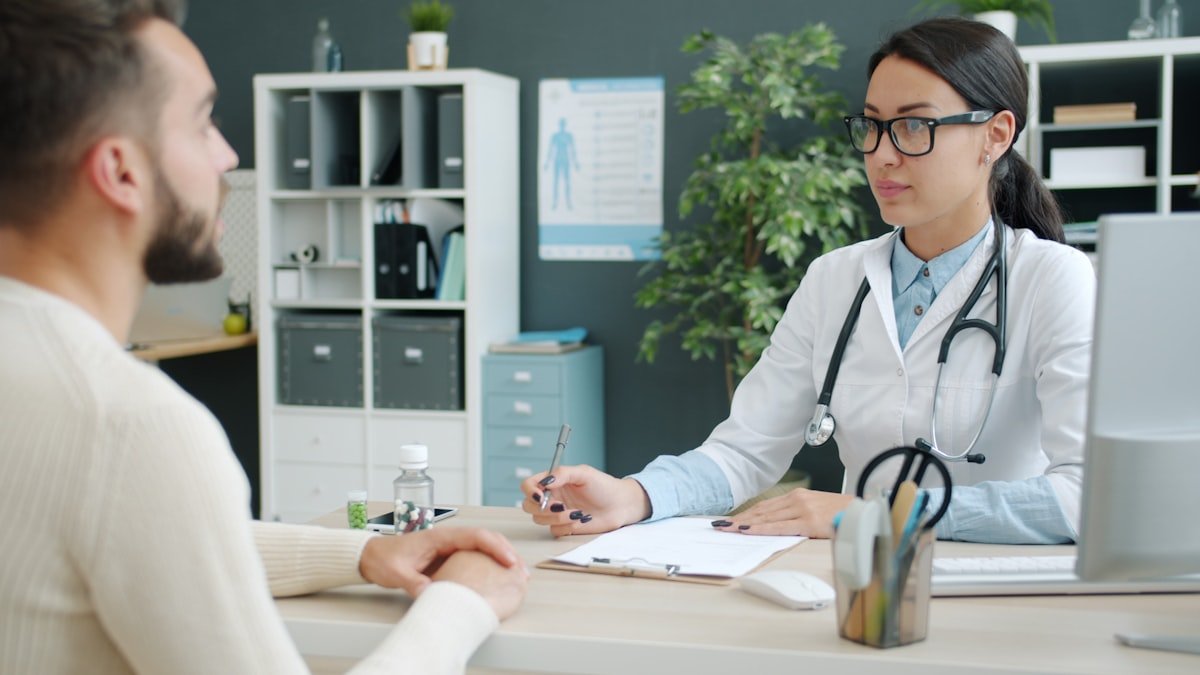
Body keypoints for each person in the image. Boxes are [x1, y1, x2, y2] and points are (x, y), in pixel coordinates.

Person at [0, 1, 527, 673]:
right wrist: (459, 607)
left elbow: (156, 540)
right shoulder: (131, 425)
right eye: (202, 123)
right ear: (121, 172)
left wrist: (361, 551)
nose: (229, 155)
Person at [521, 17, 1095, 545]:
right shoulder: (834, 279)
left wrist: (874, 515)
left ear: (995, 135)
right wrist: (634, 495)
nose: (882, 156)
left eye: (914, 126)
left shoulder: (1052, 279)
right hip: (856, 588)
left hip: (992, 592)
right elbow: (744, 451)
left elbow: (1083, 496)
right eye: (872, 126)